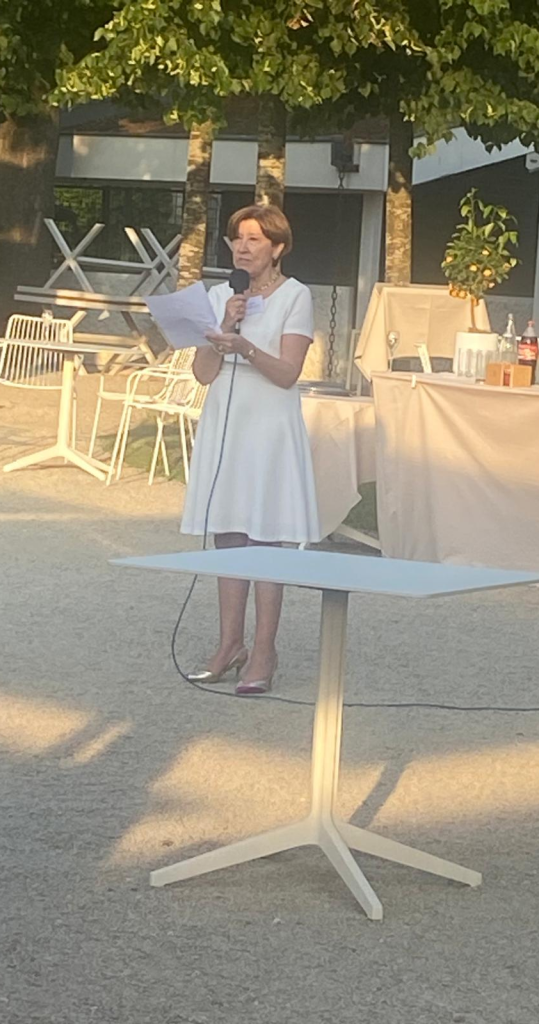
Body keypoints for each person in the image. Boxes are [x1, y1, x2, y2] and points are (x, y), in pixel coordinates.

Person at [181, 204, 320, 695]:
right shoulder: (220, 295)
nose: (242, 247)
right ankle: (229, 644)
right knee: (228, 532)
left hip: (268, 424)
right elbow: (202, 374)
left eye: (254, 239)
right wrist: (223, 329)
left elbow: (287, 374)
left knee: (264, 535)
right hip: (227, 421)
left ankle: (264, 649)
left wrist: (247, 348)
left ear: (277, 248)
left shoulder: (295, 296)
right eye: (237, 238)